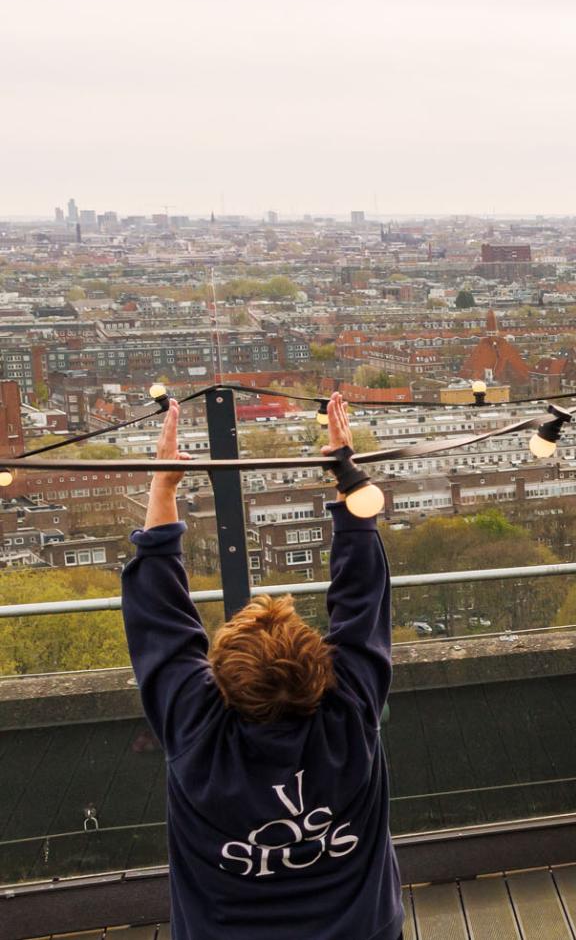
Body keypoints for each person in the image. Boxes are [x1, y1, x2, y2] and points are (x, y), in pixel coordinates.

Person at [123, 395, 401, 940]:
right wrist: (344, 472)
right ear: (321, 668)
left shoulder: (198, 731)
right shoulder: (349, 714)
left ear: (218, 682)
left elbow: (159, 616)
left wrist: (162, 487)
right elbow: (363, 600)